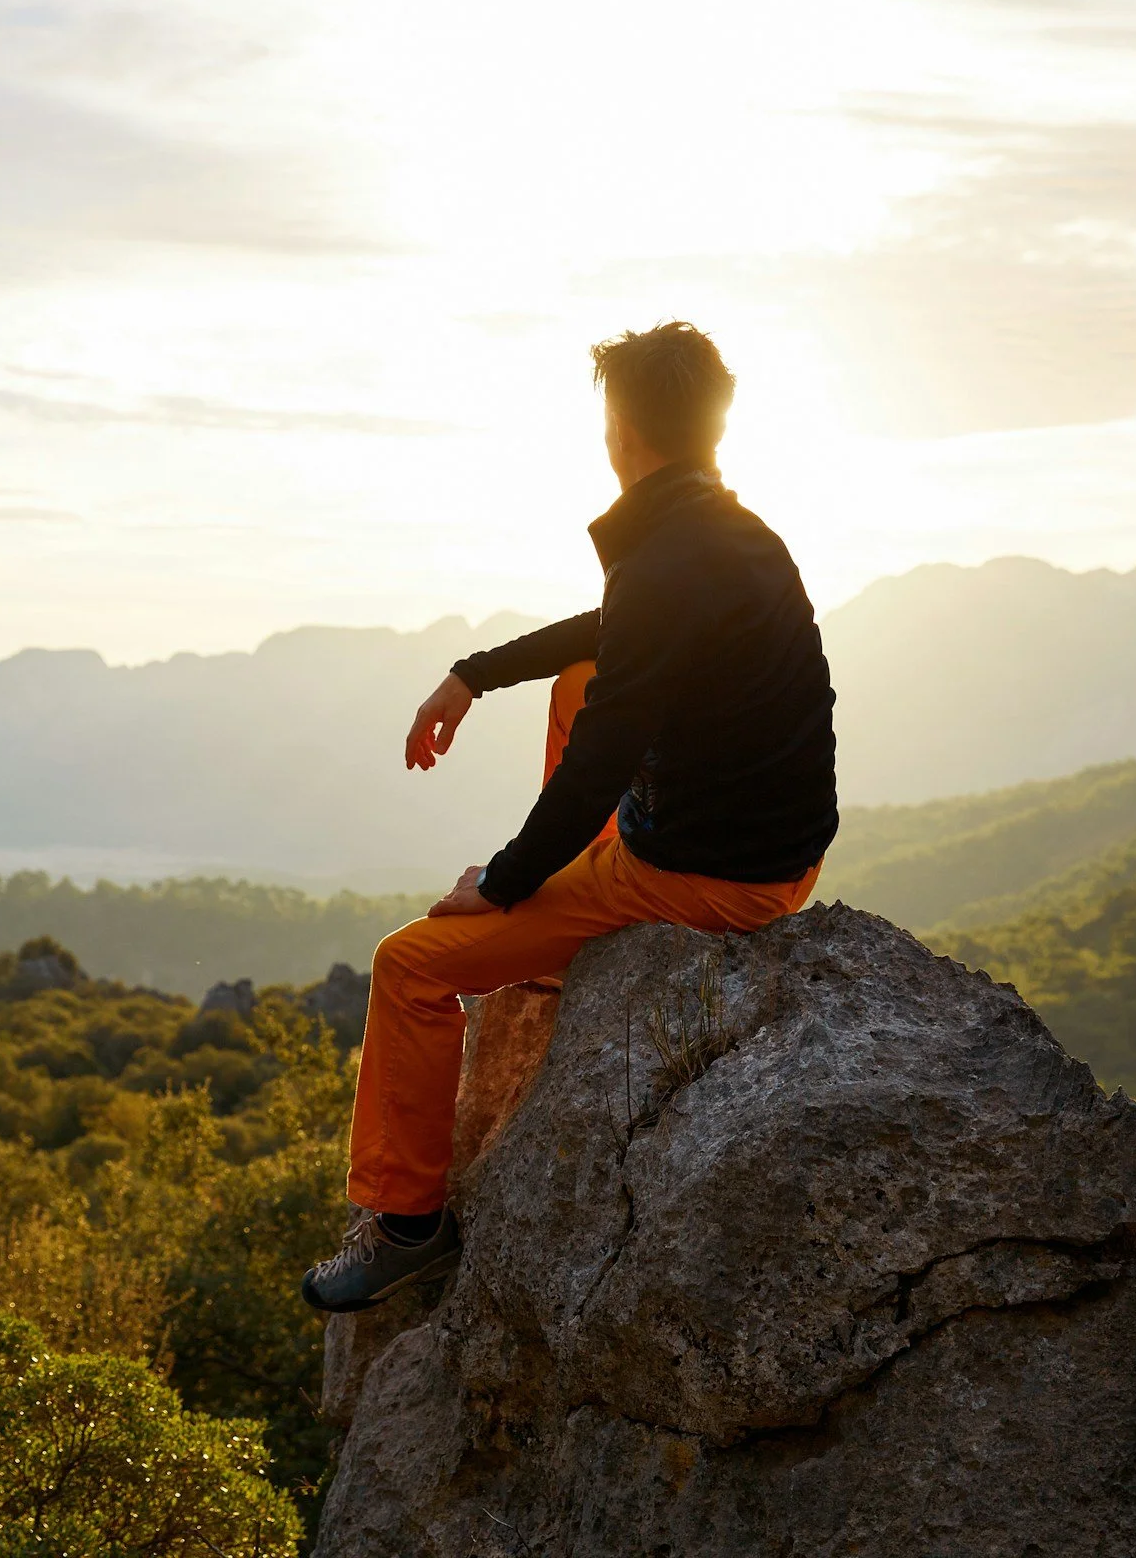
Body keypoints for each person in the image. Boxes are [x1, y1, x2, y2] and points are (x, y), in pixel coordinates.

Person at [300, 322, 838, 1313]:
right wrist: (476, 673)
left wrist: (502, 884)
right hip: (774, 852)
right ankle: (560, 909)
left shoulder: (668, 556)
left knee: (409, 965)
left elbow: (599, 759)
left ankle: (406, 1224)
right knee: (590, 672)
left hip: (696, 875)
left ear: (621, 429)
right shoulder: (733, 536)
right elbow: (620, 634)